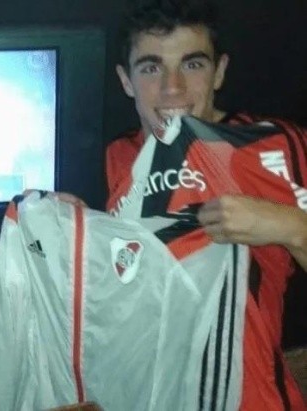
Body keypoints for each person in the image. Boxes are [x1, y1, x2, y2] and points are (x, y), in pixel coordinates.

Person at [106, 0, 306, 409]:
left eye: (193, 64)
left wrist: (289, 225)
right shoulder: (118, 155)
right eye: (151, 68)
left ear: (220, 72)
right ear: (126, 80)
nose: (173, 87)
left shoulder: (277, 143)